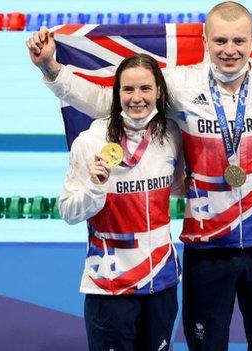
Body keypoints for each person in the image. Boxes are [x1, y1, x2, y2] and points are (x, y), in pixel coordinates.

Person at [26, 2, 252, 349]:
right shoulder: (179, 85)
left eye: (238, 41)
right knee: (205, 344)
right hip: (208, 244)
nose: (229, 51)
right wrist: (52, 68)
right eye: (220, 41)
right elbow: (109, 102)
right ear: (204, 40)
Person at [59, 53, 184, 350]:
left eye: (145, 89)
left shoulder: (171, 136)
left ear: (159, 92)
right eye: (128, 90)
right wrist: (94, 187)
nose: (136, 98)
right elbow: (68, 212)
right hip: (110, 285)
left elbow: (178, 187)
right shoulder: (90, 142)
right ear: (117, 94)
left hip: (161, 281)